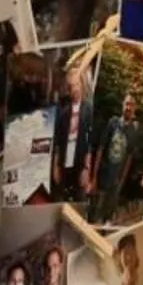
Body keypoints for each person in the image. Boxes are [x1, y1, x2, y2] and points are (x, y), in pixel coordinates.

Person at [88, 90, 143, 226]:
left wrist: (121, 183)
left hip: (115, 181)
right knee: (93, 215)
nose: (128, 107)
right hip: (102, 177)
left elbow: (128, 159)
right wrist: (94, 177)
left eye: (131, 105)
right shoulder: (112, 123)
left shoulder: (133, 132)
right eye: (127, 104)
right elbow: (101, 148)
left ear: (135, 108)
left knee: (107, 219)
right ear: (122, 105)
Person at [48, 62, 96, 202]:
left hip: (80, 167)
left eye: (76, 84)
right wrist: (55, 166)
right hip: (64, 166)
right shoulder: (63, 113)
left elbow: (90, 143)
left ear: (81, 85)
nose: (74, 89)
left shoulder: (89, 110)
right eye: (71, 86)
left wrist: (87, 168)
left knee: (79, 202)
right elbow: (58, 142)